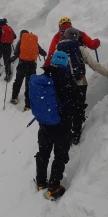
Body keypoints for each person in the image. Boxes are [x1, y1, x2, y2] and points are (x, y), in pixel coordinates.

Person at [32, 51, 84, 200]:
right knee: (60, 155)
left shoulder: (43, 79)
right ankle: (54, 186)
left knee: (43, 152)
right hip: (62, 126)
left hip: (45, 125)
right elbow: (78, 104)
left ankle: (41, 181)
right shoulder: (68, 82)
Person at [56, 27, 108, 144]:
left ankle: (66, 133)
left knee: (67, 109)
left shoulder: (58, 49)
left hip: (63, 85)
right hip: (79, 83)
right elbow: (94, 65)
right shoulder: (79, 49)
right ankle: (76, 134)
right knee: (78, 109)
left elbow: (54, 69)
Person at [9, 30, 47, 111]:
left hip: (22, 64)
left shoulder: (21, 42)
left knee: (18, 81)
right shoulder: (33, 42)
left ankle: (14, 98)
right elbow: (43, 53)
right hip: (32, 66)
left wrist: (10, 60)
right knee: (29, 84)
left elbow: (16, 54)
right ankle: (28, 105)